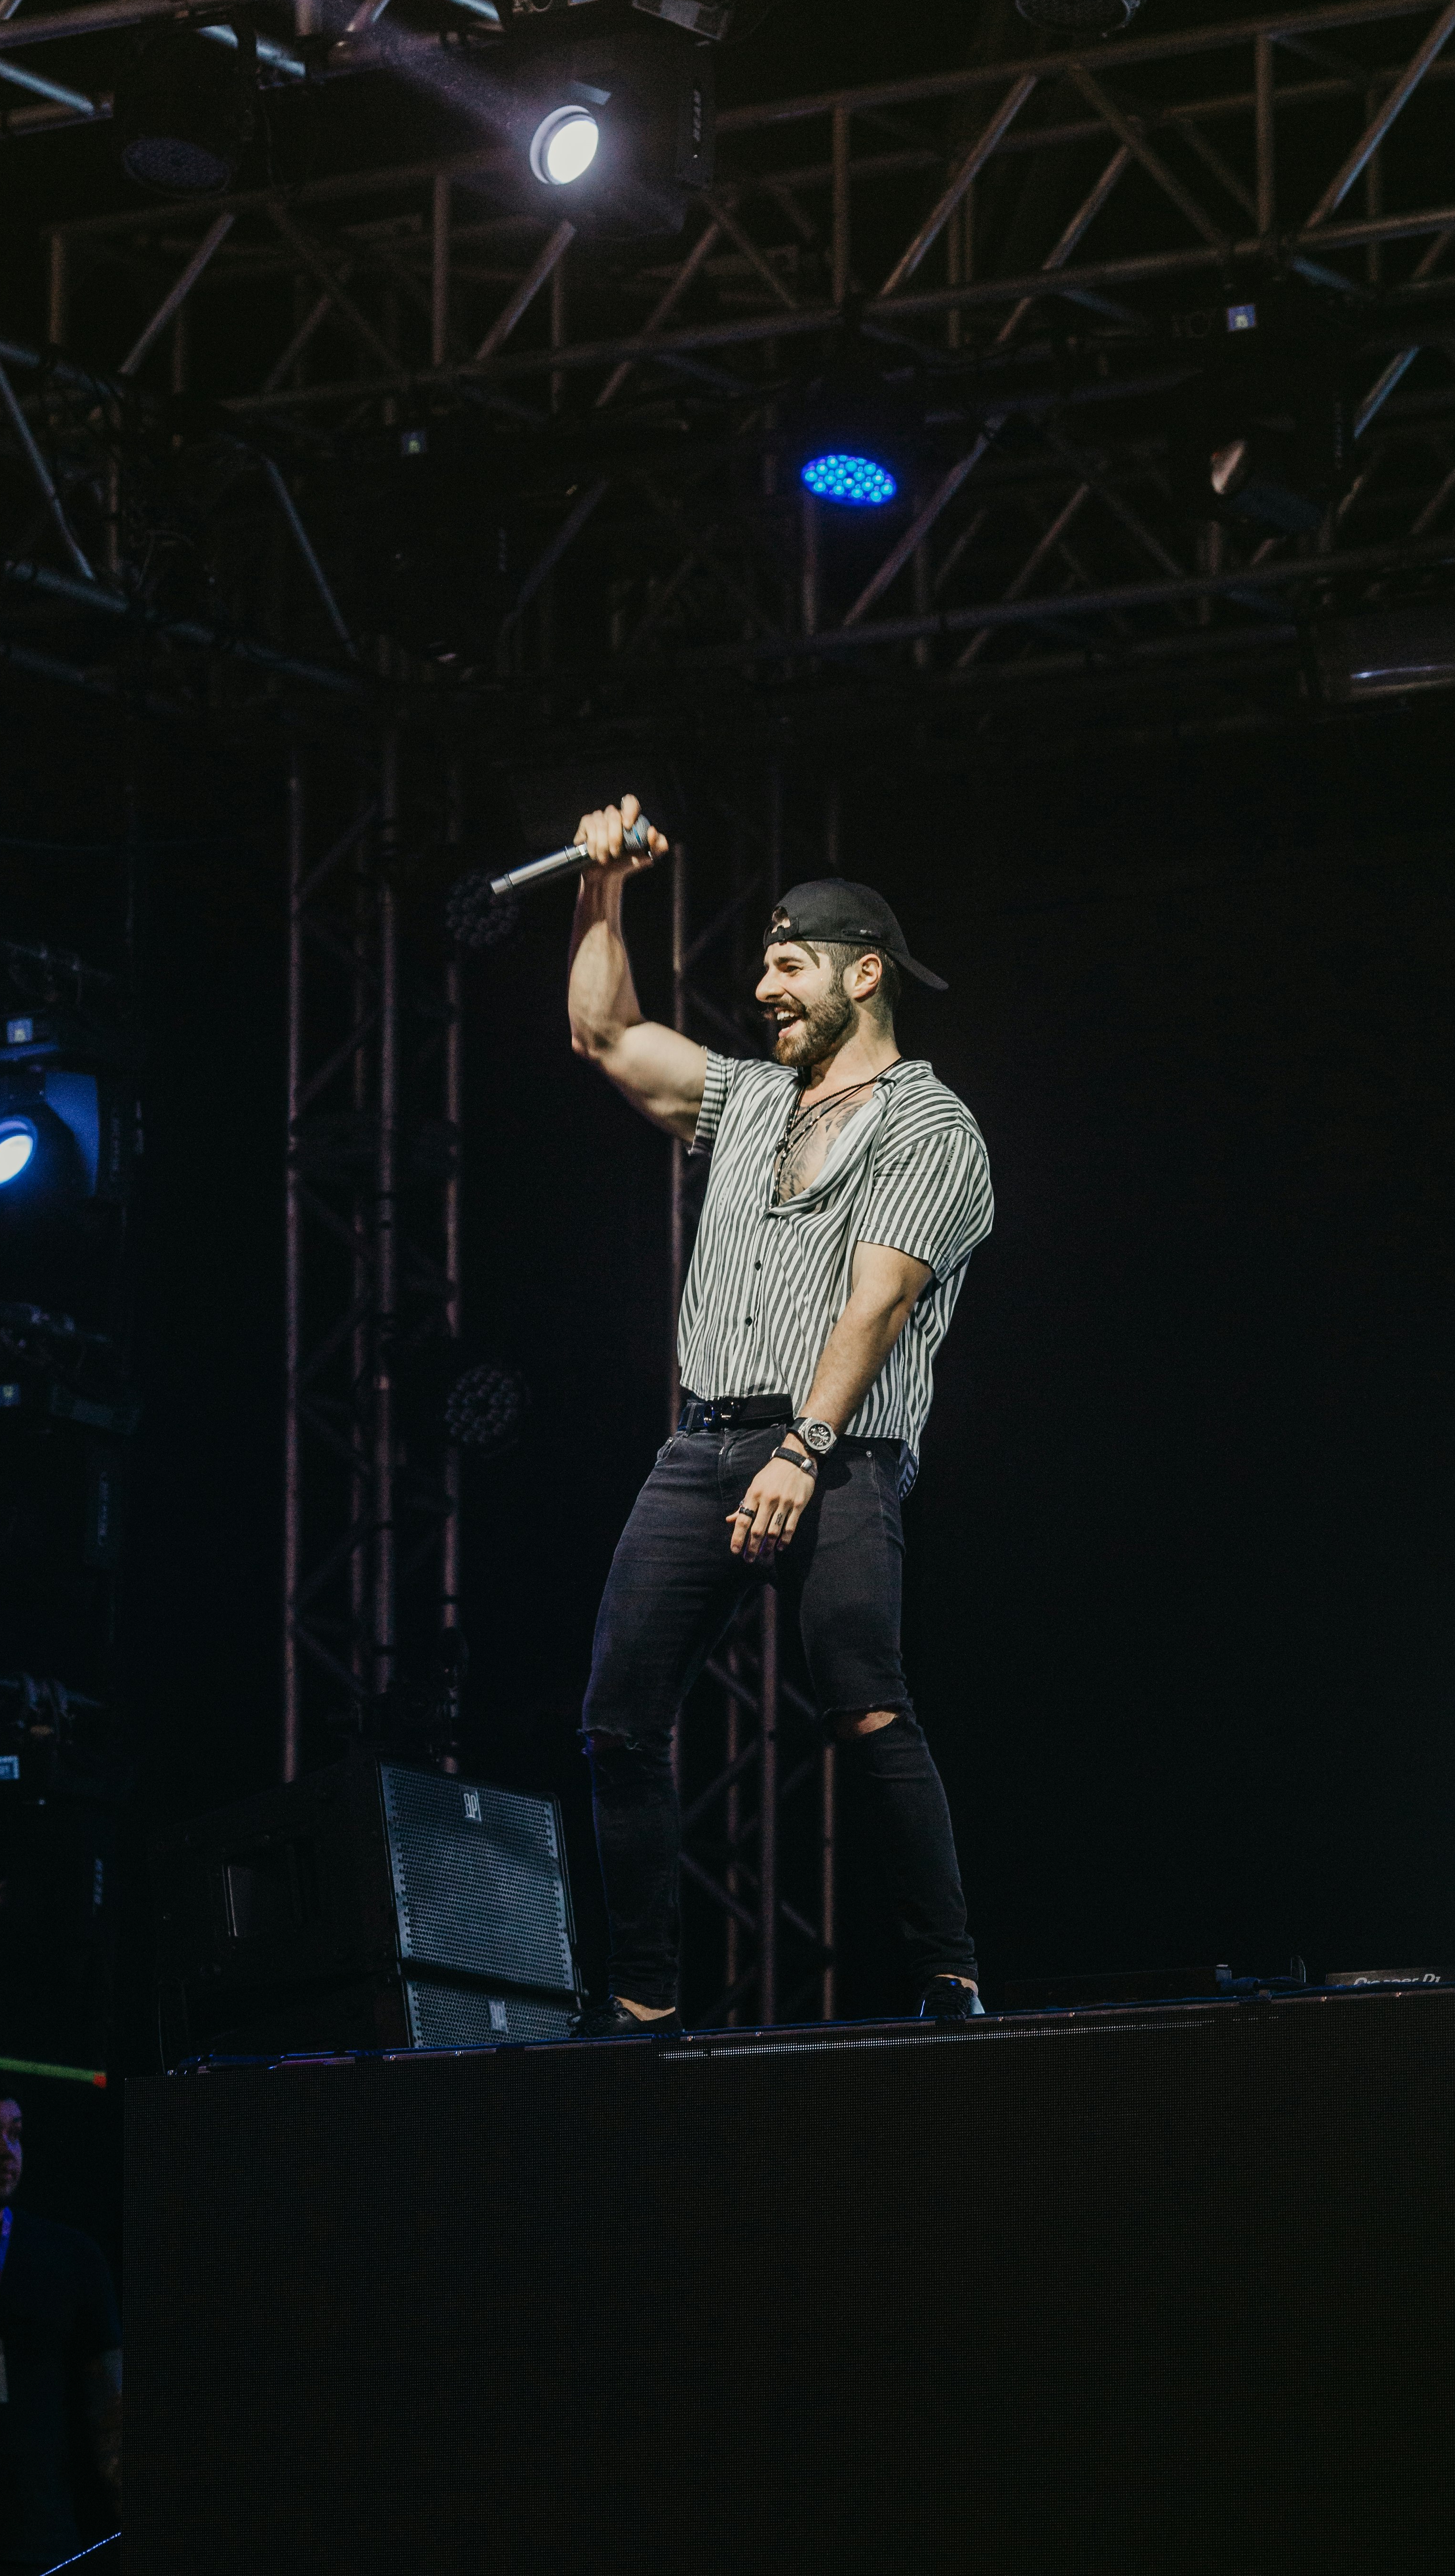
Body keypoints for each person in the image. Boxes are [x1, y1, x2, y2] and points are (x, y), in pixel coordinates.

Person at [565, 794, 995, 2037]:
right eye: (763, 963)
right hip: (704, 1449)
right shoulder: (751, 1101)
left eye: (789, 963)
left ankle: (951, 1972)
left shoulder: (933, 1124)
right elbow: (606, 1034)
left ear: (866, 974)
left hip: (841, 1451)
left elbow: (877, 1302)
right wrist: (604, 887)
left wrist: (803, 1456)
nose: (764, 987)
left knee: (862, 1696)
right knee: (617, 1719)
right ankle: (642, 1997)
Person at [0, 2074, 121, 2575]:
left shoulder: (69, 2257)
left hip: (43, 2546)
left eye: (15, 2133)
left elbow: (112, 2409)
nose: (5, 2150)